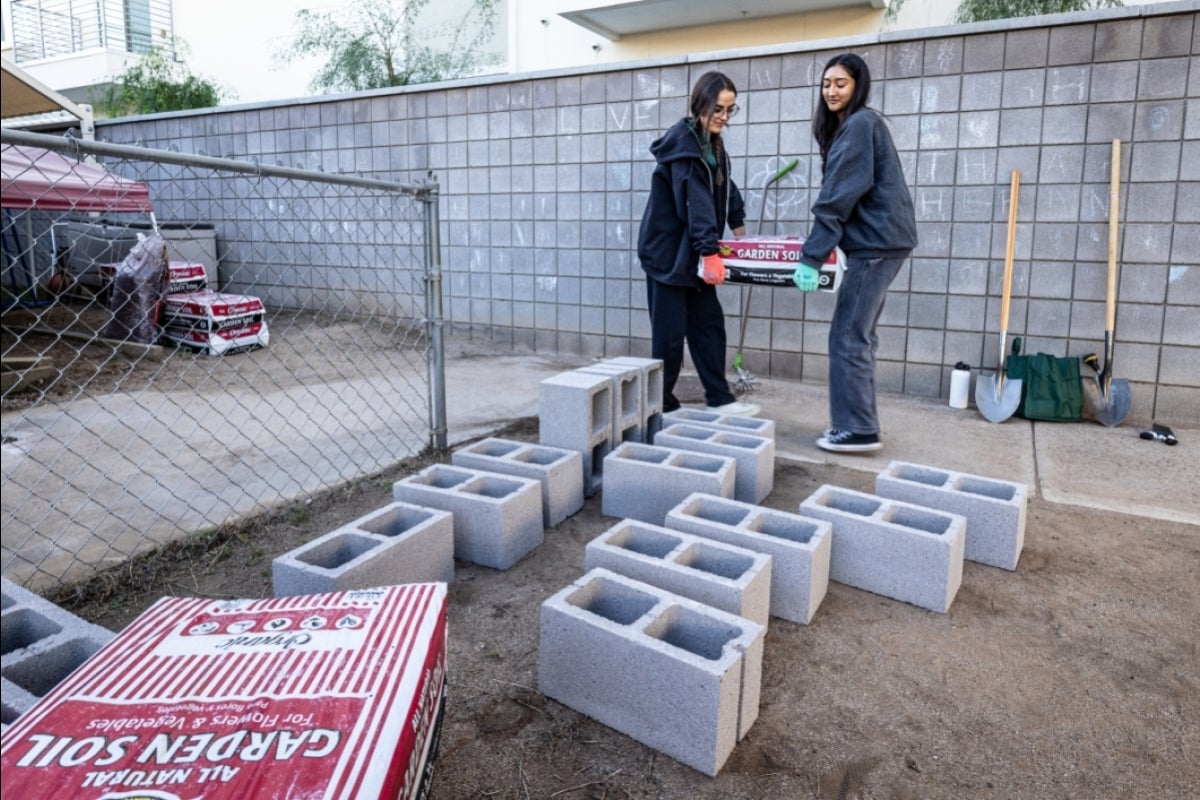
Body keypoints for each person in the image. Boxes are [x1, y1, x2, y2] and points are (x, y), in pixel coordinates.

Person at [795, 53, 918, 453]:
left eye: (840, 83)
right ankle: (859, 423)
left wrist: (812, 258)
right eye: (826, 83)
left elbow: (836, 198)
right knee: (859, 335)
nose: (831, 90)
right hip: (884, 243)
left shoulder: (859, 124)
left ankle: (858, 429)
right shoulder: (858, 125)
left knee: (848, 336)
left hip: (875, 247)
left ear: (857, 86)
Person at [636, 70, 759, 417]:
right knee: (670, 336)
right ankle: (660, 404)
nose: (723, 116)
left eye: (730, 109)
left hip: (694, 254)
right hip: (669, 256)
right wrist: (710, 251)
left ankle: (719, 398)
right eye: (718, 108)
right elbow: (696, 200)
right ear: (700, 104)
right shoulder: (686, 147)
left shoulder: (712, 143)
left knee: (708, 326)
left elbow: (724, 185)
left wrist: (737, 224)